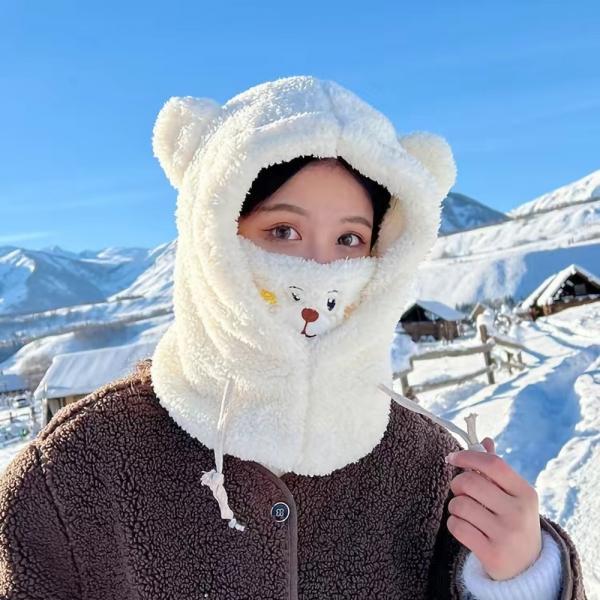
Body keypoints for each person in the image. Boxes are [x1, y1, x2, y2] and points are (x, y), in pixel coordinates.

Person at [0, 75, 586, 599]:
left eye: (350, 239)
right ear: (213, 235)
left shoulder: (429, 464)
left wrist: (525, 577)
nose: (319, 270)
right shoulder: (72, 475)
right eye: (283, 230)